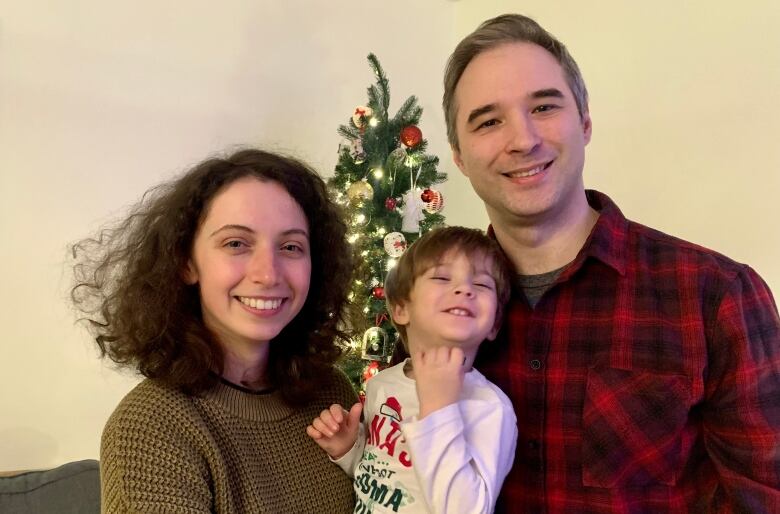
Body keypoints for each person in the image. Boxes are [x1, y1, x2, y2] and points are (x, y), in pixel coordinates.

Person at [443, 13, 780, 513]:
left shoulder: (716, 294)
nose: (523, 139)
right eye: (489, 121)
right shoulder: (436, 307)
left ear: (584, 122)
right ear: (459, 156)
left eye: (544, 106)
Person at [71, 149, 357, 513]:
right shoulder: (150, 428)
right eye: (236, 243)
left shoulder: (332, 392)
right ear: (187, 262)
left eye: (290, 247)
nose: (267, 274)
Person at [306, 226, 518, 513]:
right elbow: (383, 479)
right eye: (442, 277)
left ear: (494, 323)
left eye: (481, 284)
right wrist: (348, 450)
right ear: (401, 309)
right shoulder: (383, 385)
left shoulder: (490, 408)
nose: (465, 288)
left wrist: (438, 408)